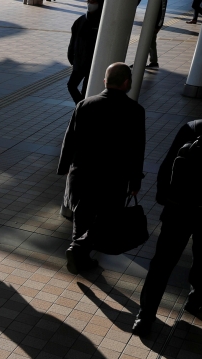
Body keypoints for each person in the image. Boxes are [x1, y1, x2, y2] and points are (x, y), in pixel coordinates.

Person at [57, 63, 145, 275]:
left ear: (105, 81)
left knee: (82, 217)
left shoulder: (85, 105)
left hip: (82, 175)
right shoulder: (135, 111)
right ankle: (79, 251)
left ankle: (78, 254)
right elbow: (136, 150)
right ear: (126, 83)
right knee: (106, 220)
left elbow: (70, 139)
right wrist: (135, 182)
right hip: (112, 179)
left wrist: (65, 168)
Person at [132, 119, 202, 337]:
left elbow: (168, 164)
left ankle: (145, 316)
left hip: (178, 209)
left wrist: (166, 199)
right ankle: (195, 301)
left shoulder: (194, 127)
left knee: (162, 263)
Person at [67, 0, 102, 104]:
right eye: (89, 1)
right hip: (80, 62)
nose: (90, 4)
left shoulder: (103, 22)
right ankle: (82, 106)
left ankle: (82, 108)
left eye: (93, 2)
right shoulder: (80, 21)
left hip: (93, 64)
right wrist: (72, 58)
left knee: (86, 90)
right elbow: (73, 41)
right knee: (71, 85)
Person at [147, 0, 168, 69]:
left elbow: (163, 10)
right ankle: (152, 62)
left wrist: (159, 25)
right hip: (150, 21)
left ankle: (153, 62)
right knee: (149, 43)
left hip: (154, 23)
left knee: (150, 42)